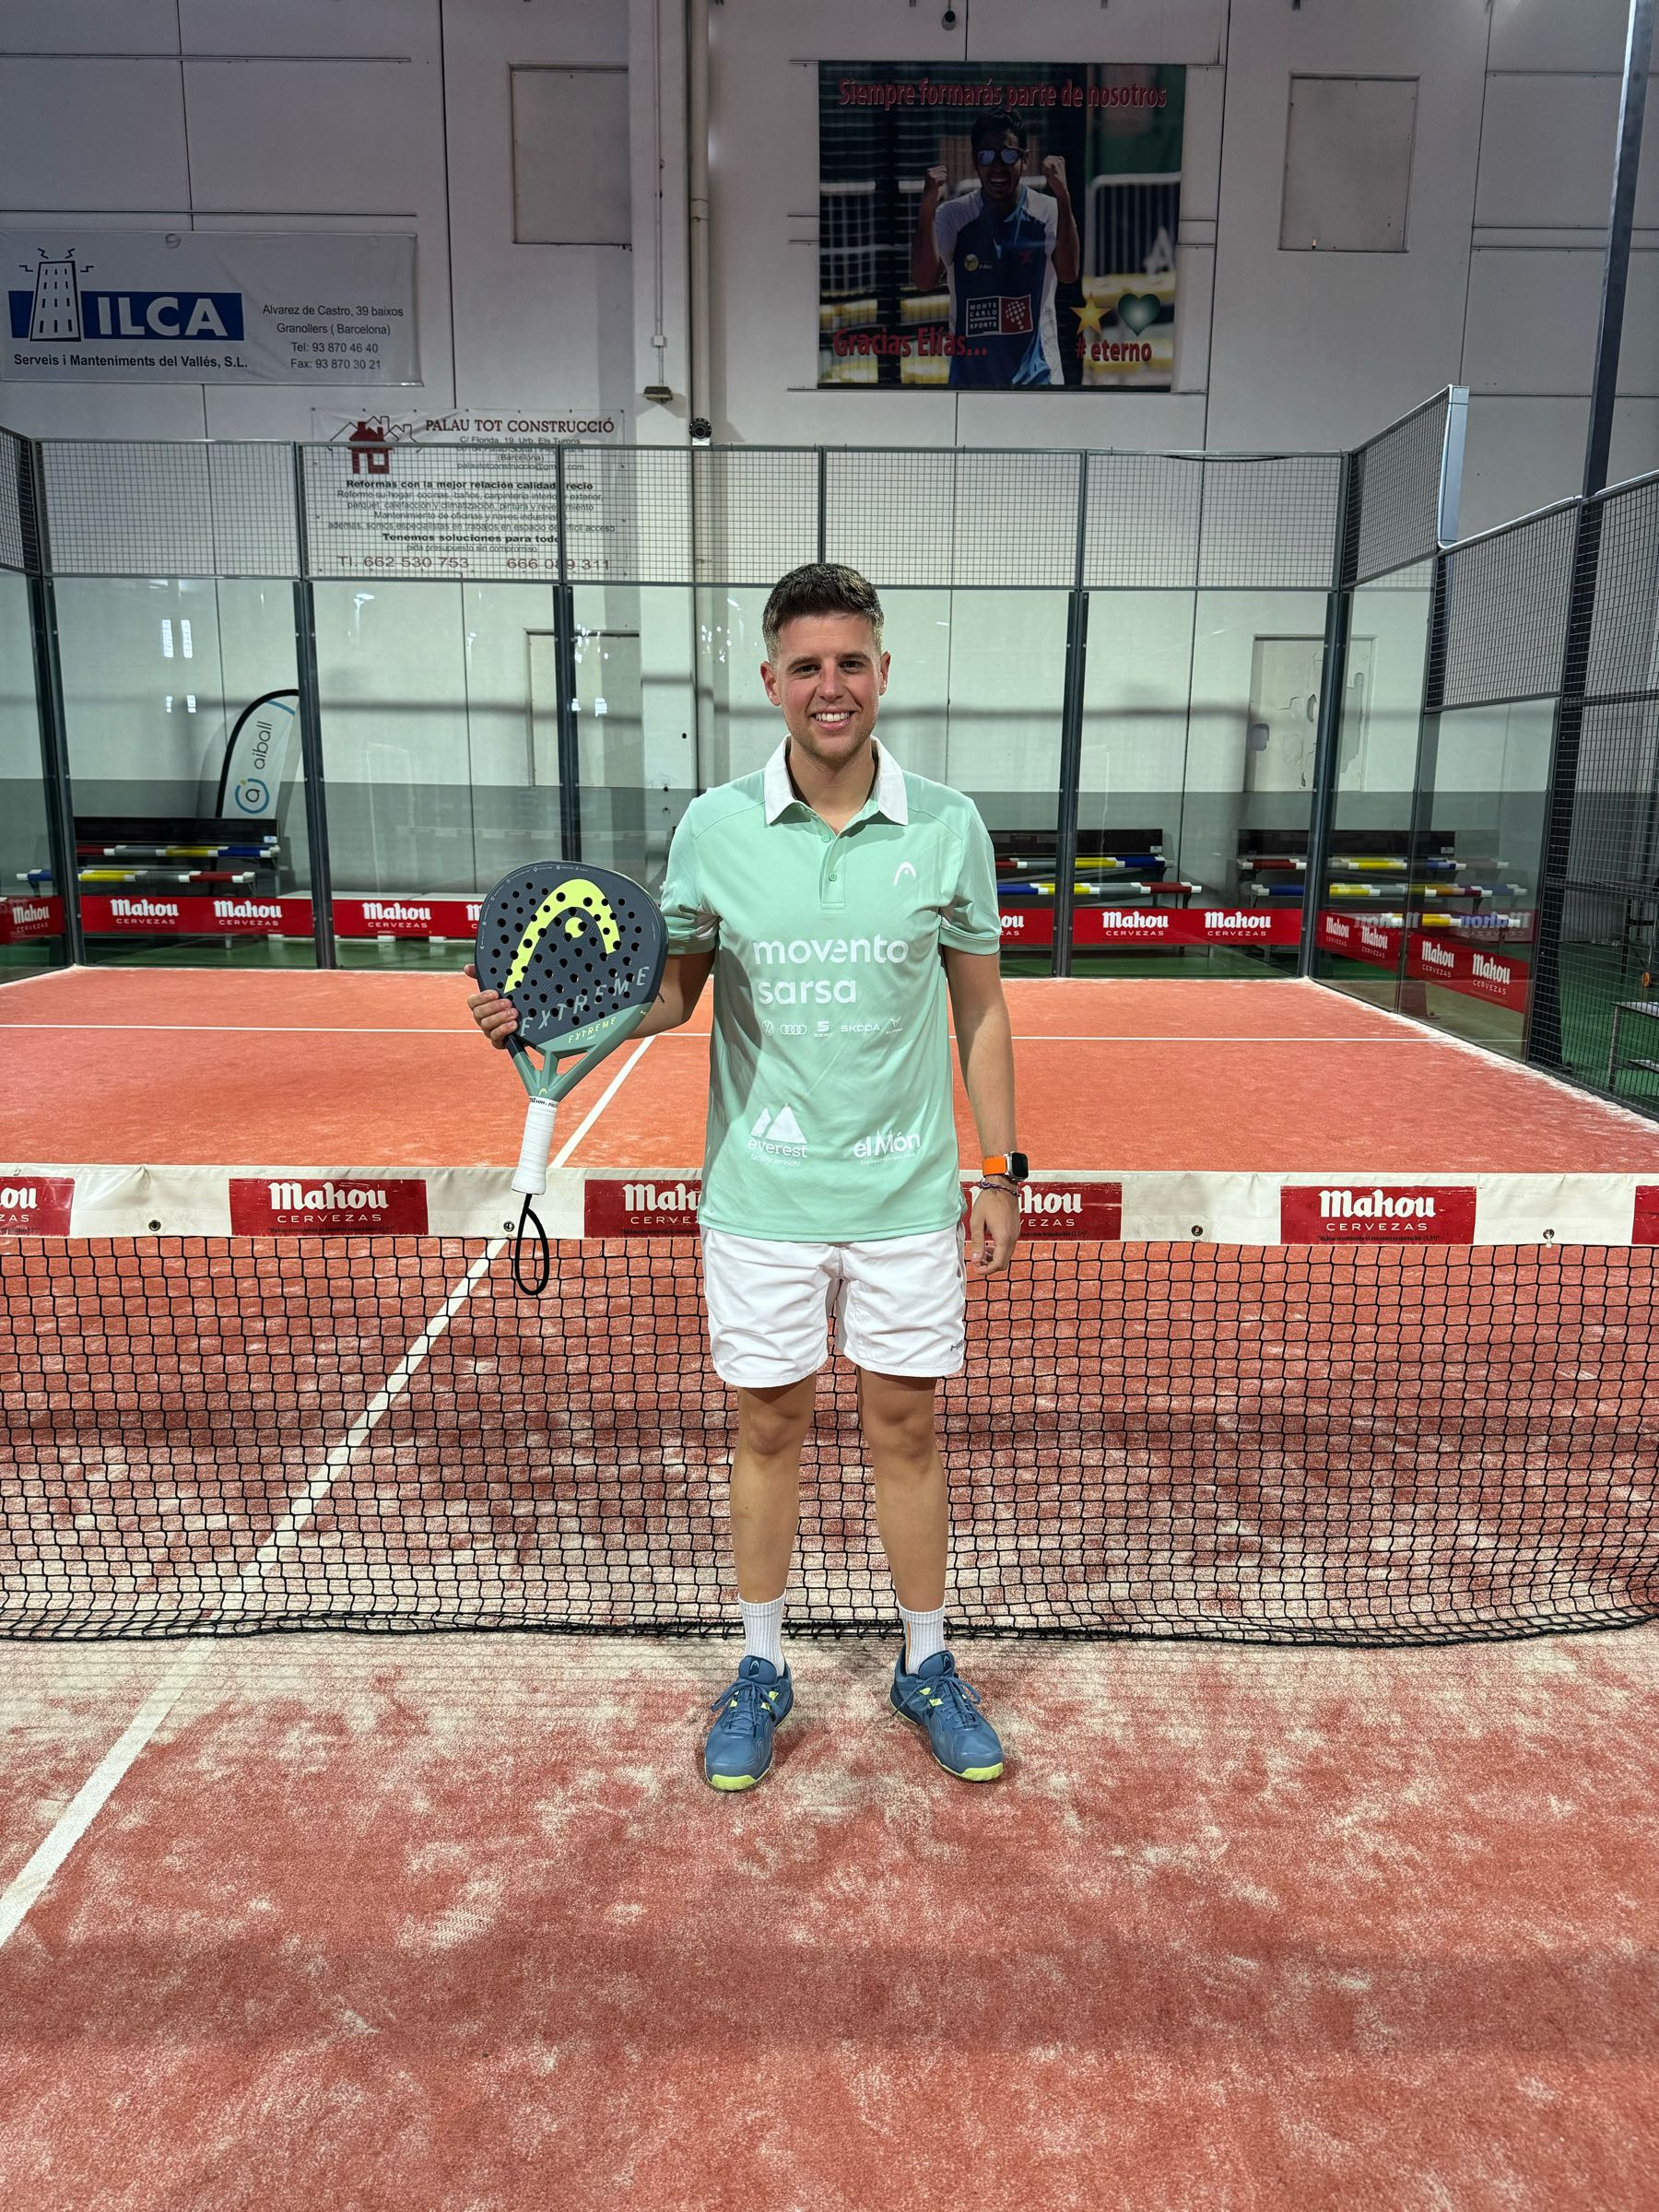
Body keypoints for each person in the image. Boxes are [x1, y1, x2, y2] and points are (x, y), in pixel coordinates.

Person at [465, 563, 1026, 1792]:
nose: (832, 686)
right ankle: (762, 1666)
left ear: (883, 673)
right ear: (771, 682)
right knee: (767, 1430)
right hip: (761, 1200)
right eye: (807, 666)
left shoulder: (949, 828)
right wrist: (554, 1012)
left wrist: (1001, 1170)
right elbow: (672, 994)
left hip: (905, 1198)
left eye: (852, 663)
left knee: (908, 1433)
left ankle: (927, 1662)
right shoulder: (714, 829)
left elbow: (980, 1011)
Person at [910, 111, 1080, 388]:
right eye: (987, 156)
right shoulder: (954, 215)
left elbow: (1069, 273)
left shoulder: (1047, 209)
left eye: (1009, 155)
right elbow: (924, 280)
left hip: (1038, 381)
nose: (998, 167)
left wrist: (1063, 196)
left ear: (1025, 159)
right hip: (971, 384)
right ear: (975, 160)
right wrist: (927, 209)